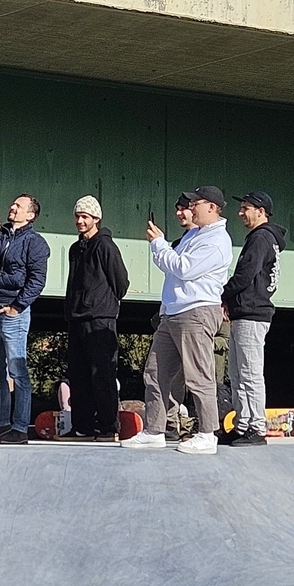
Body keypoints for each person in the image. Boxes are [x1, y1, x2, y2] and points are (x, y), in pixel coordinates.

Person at [124, 185, 233, 455]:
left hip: (196, 312)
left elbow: (184, 269)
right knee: (155, 373)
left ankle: (208, 434)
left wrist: (159, 244)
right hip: (173, 312)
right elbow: (172, 267)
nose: (190, 207)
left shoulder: (218, 240)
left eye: (196, 203)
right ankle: (153, 431)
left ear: (211, 207)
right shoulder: (193, 235)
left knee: (198, 376)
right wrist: (161, 248)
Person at [60, 196, 130, 442]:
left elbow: (121, 282)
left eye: (85, 217)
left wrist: (102, 302)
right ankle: (82, 427)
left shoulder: (105, 246)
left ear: (96, 219)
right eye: (78, 216)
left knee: (102, 375)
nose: (80, 221)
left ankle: (109, 427)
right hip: (76, 318)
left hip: (100, 318)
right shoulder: (74, 248)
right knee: (78, 376)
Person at [220, 190, 286, 447]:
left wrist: (224, 294)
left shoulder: (260, 238)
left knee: (248, 373)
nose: (240, 212)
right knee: (238, 372)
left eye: (245, 208)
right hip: (248, 311)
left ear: (261, 211)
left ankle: (255, 427)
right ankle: (242, 424)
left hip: (252, 312)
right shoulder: (266, 239)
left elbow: (246, 275)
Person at [0, 195, 50, 443]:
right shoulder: (0, 236)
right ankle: (0, 423)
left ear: (31, 215)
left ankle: (20, 427)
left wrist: (17, 306)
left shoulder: (35, 242)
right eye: (12, 204)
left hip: (13, 310)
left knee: (17, 370)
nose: (12, 207)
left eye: (18, 206)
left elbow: (37, 281)